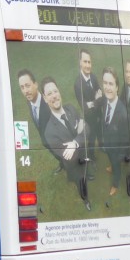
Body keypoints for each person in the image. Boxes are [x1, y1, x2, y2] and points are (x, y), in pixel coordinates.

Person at [40, 77, 92, 211]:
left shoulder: (71, 108)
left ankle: (89, 174)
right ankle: (85, 199)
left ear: (59, 92)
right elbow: (69, 156)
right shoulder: (49, 132)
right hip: (74, 166)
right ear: (45, 99)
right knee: (81, 182)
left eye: (55, 91)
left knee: (88, 170)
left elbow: (87, 128)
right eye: (49, 94)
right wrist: (81, 135)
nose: (54, 96)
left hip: (84, 154)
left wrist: (75, 142)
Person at [95, 67, 130, 204]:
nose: (107, 87)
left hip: (118, 151)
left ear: (117, 87)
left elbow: (125, 140)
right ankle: (112, 164)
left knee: (116, 166)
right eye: (105, 83)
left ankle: (115, 184)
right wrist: (94, 102)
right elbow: (101, 102)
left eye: (111, 84)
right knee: (111, 159)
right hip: (108, 144)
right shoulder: (105, 100)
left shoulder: (123, 114)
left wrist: (120, 157)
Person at [17, 68, 49, 134]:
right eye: (22, 87)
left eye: (27, 86)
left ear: (36, 85)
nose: (25, 91)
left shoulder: (48, 104)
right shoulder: (29, 102)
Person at [73, 48, 101, 112]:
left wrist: (91, 103)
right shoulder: (77, 84)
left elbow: (100, 92)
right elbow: (84, 107)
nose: (88, 65)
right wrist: (96, 101)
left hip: (99, 114)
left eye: (89, 62)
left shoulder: (93, 76)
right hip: (90, 119)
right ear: (80, 63)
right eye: (85, 62)